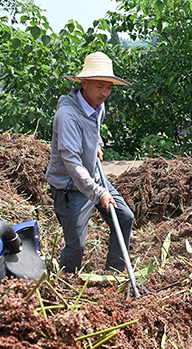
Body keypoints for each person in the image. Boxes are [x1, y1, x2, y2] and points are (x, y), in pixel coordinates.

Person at [45, 51, 135, 273]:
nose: (105, 93)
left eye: (109, 88)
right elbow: (72, 163)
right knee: (77, 246)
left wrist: (97, 145)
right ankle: (65, 285)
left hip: (93, 177)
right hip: (70, 188)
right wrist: (99, 193)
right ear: (84, 83)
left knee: (125, 217)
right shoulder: (66, 115)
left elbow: (94, 131)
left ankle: (114, 272)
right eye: (100, 86)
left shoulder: (97, 105)